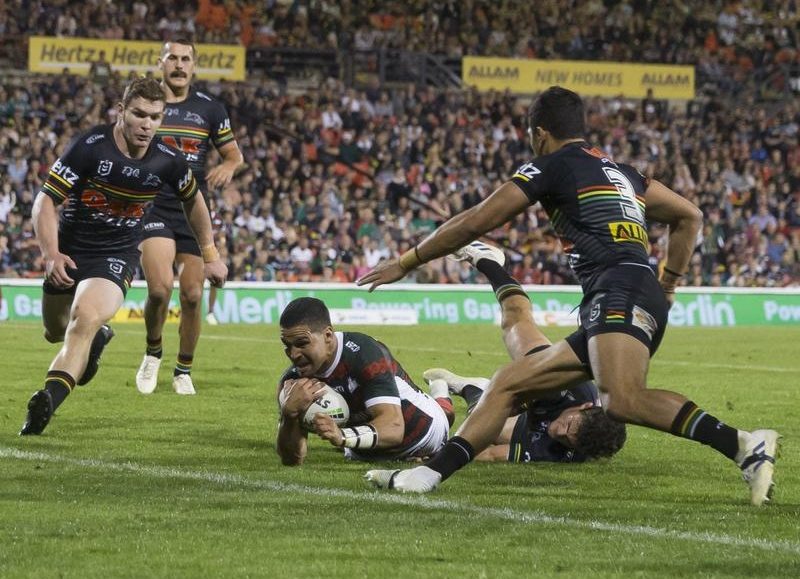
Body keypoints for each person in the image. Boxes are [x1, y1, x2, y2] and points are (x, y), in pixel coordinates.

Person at [358, 86, 780, 505]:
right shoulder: (624, 173)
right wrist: (667, 285)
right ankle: (427, 476)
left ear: (539, 134)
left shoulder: (554, 165)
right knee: (508, 384)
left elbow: (475, 222)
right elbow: (689, 215)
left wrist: (407, 261)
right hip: (628, 289)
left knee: (621, 399)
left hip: (617, 290)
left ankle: (743, 444)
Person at [19, 77, 227, 436]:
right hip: (69, 252)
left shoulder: (168, 160)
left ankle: (47, 401)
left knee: (83, 321)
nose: (147, 125)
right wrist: (51, 254)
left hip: (115, 255)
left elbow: (194, 200)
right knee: (54, 331)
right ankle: (96, 341)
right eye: (139, 114)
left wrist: (210, 253)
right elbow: (45, 200)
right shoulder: (89, 147)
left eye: (155, 117)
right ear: (121, 111)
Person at [421, 241, 626, 464]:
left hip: (535, 415)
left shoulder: (562, 452)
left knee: (485, 429)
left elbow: (490, 454)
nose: (558, 432)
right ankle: (486, 260)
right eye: (568, 425)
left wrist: (433, 457)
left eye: (568, 440)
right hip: (546, 383)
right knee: (515, 318)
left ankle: (473, 388)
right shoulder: (564, 382)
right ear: (586, 407)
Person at [135, 39, 243, 395]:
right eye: (172, 58)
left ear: (194, 66)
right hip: (153, 205)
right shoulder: (147, 105)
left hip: (192, 209)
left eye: (185, 59)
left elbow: (234, 155)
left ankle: (183, 370)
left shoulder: (210, 109)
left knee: (194, 295)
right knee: (159, 289)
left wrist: (228, 166)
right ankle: (153, 352)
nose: (179, 65)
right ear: (161, 63)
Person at [276, 297, 453, 465]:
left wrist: (342, 436)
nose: (293, 354)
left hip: (424, 435)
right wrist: (289, 414)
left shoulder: (363, 353)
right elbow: (293, 459)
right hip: (363, 452)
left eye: (302, 343)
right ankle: (440, 387)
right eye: (287, 345)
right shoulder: (292, 383)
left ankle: (444, 386)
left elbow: (394, 429)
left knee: (451, 418)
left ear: (328, 336)